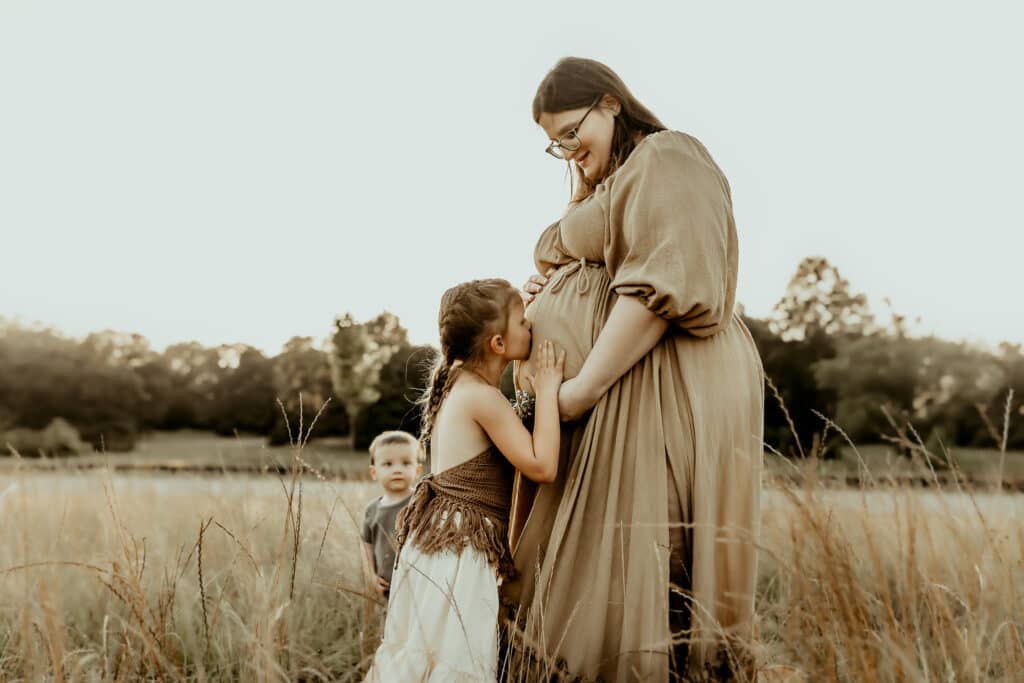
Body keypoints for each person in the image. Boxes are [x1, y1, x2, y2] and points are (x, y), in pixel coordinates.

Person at [508, 57, 765, 681]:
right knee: (609, 562)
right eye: (555, 144)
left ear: (611, 103)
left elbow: (660, 285)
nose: (568, 150)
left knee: (655, 554)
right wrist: (549, 285)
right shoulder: (611, 181)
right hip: (608, 393)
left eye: (572, 132)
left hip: (656, 384)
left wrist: (579, 392)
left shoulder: (669, 156)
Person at [365, 278, 566, 682]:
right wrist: (547, 391)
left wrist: (524, 299)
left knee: (423, 658)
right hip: (460, 550)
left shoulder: (458, 382)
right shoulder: (482, 397)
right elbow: (542, 466)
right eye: (523, 321)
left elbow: (492, 321)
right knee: (457, 661)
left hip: (438, 541)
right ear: (497, 343)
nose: (530, 326)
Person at [359, 430, 422, 603]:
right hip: (388, 589)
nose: (397, 470)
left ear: (417, 470)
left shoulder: (421, 501)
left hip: (420, 586)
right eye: (388, 464)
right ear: (374, 472)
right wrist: (370, 576)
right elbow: (366, 546)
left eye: (406, 463)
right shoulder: (372, 510)